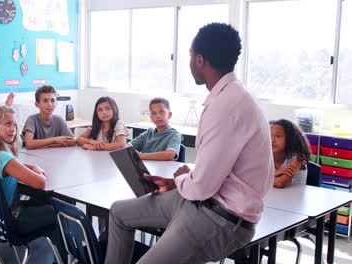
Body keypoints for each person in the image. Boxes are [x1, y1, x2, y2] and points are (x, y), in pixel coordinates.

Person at [104, 23, 274, 264]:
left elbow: (203, 186)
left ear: (200, 60)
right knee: (118, 212)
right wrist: (178, 182)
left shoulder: (226, 106)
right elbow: (218, 171)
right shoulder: (232, 97)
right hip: (200, 201)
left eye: (190, 56)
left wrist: (184, 180)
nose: (190, 62)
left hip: (220, 218)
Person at [0, 106, 64, 256]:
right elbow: (40, 183)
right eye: (7, 124)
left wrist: (32, 166)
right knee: (61, 213)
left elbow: (14, 166)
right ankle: (64, 257)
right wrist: (38, 172)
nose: (13, 129)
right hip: (13, 221)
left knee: (47, 202)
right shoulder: (4, 158)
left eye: (14, 124)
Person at [270, 119, 311, 187]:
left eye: (278, 136)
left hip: (294, 196)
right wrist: (276, 172)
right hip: (275, 195)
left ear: (290, 138)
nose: (272, 140)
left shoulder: (297, 158)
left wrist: (264, 177)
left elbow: (279, 183)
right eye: (269, 136)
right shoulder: (268, 156)